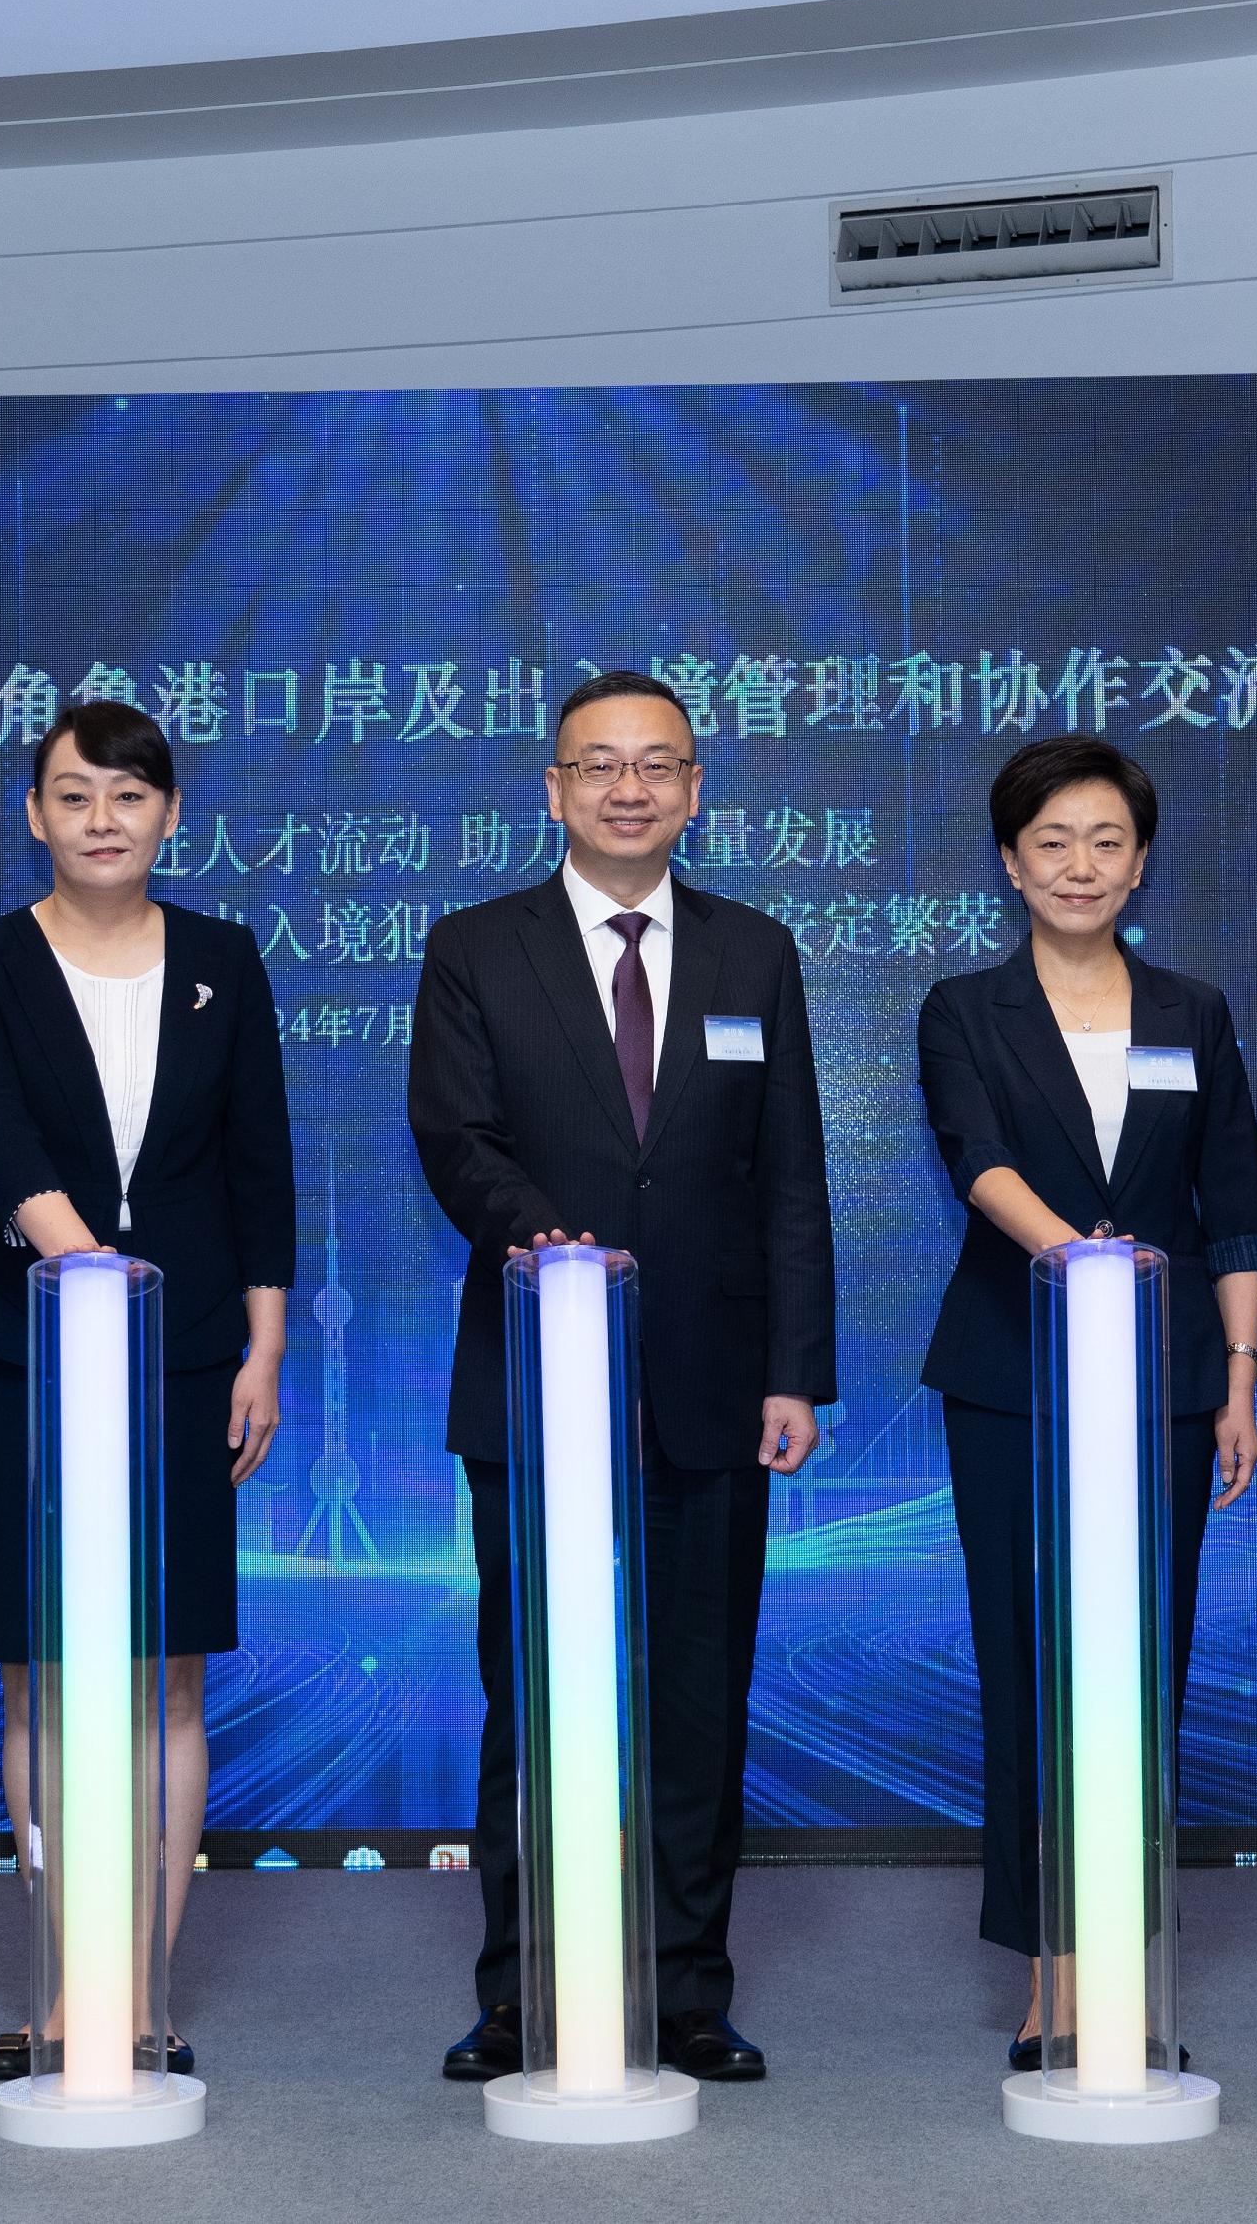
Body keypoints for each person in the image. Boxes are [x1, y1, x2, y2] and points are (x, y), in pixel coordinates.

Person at [408, 668, 834, 2086]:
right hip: (537, 1380)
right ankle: (523, 1992)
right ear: (554, 788)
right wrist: (559, 1252)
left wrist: (796, 1371)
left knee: (697, 1700)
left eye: (659, 765)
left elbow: (790, 1180)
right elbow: (456, 1138)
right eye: (600, 765)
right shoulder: (476, 946)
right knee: (534, 1694)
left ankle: (687, 1991)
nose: (630, 788)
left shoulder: (754, 952)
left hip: (716, 1386)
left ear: (697, 790)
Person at [0, 699, 296, 2084]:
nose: (101, 818)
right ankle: (64, 1980)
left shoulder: (222, 959)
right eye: (74, 795)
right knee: (43, 1682)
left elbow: (260, 1166)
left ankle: (139, 1992)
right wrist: (94, 1281)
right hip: (26, 1346)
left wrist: (260, 1349)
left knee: (164, 1678)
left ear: (169, 817)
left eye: (129, 796)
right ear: (36, 814)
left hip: (193, 1354)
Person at [915, 737, 1257, 2066]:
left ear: (1142, 860)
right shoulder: (964, 1009)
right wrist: (1082, 1261)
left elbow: (1236, 1209)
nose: (1081, 864)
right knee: (1031, 1674)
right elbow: (980, 1165)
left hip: (1172, 1385)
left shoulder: (1194, 1012)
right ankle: (1048, 1979)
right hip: (1014, 1379)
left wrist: (1237, 1377)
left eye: (1107, 840)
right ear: (1011, 863)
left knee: (1140, 1674)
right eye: (1053, 841)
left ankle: (1124, 1968)